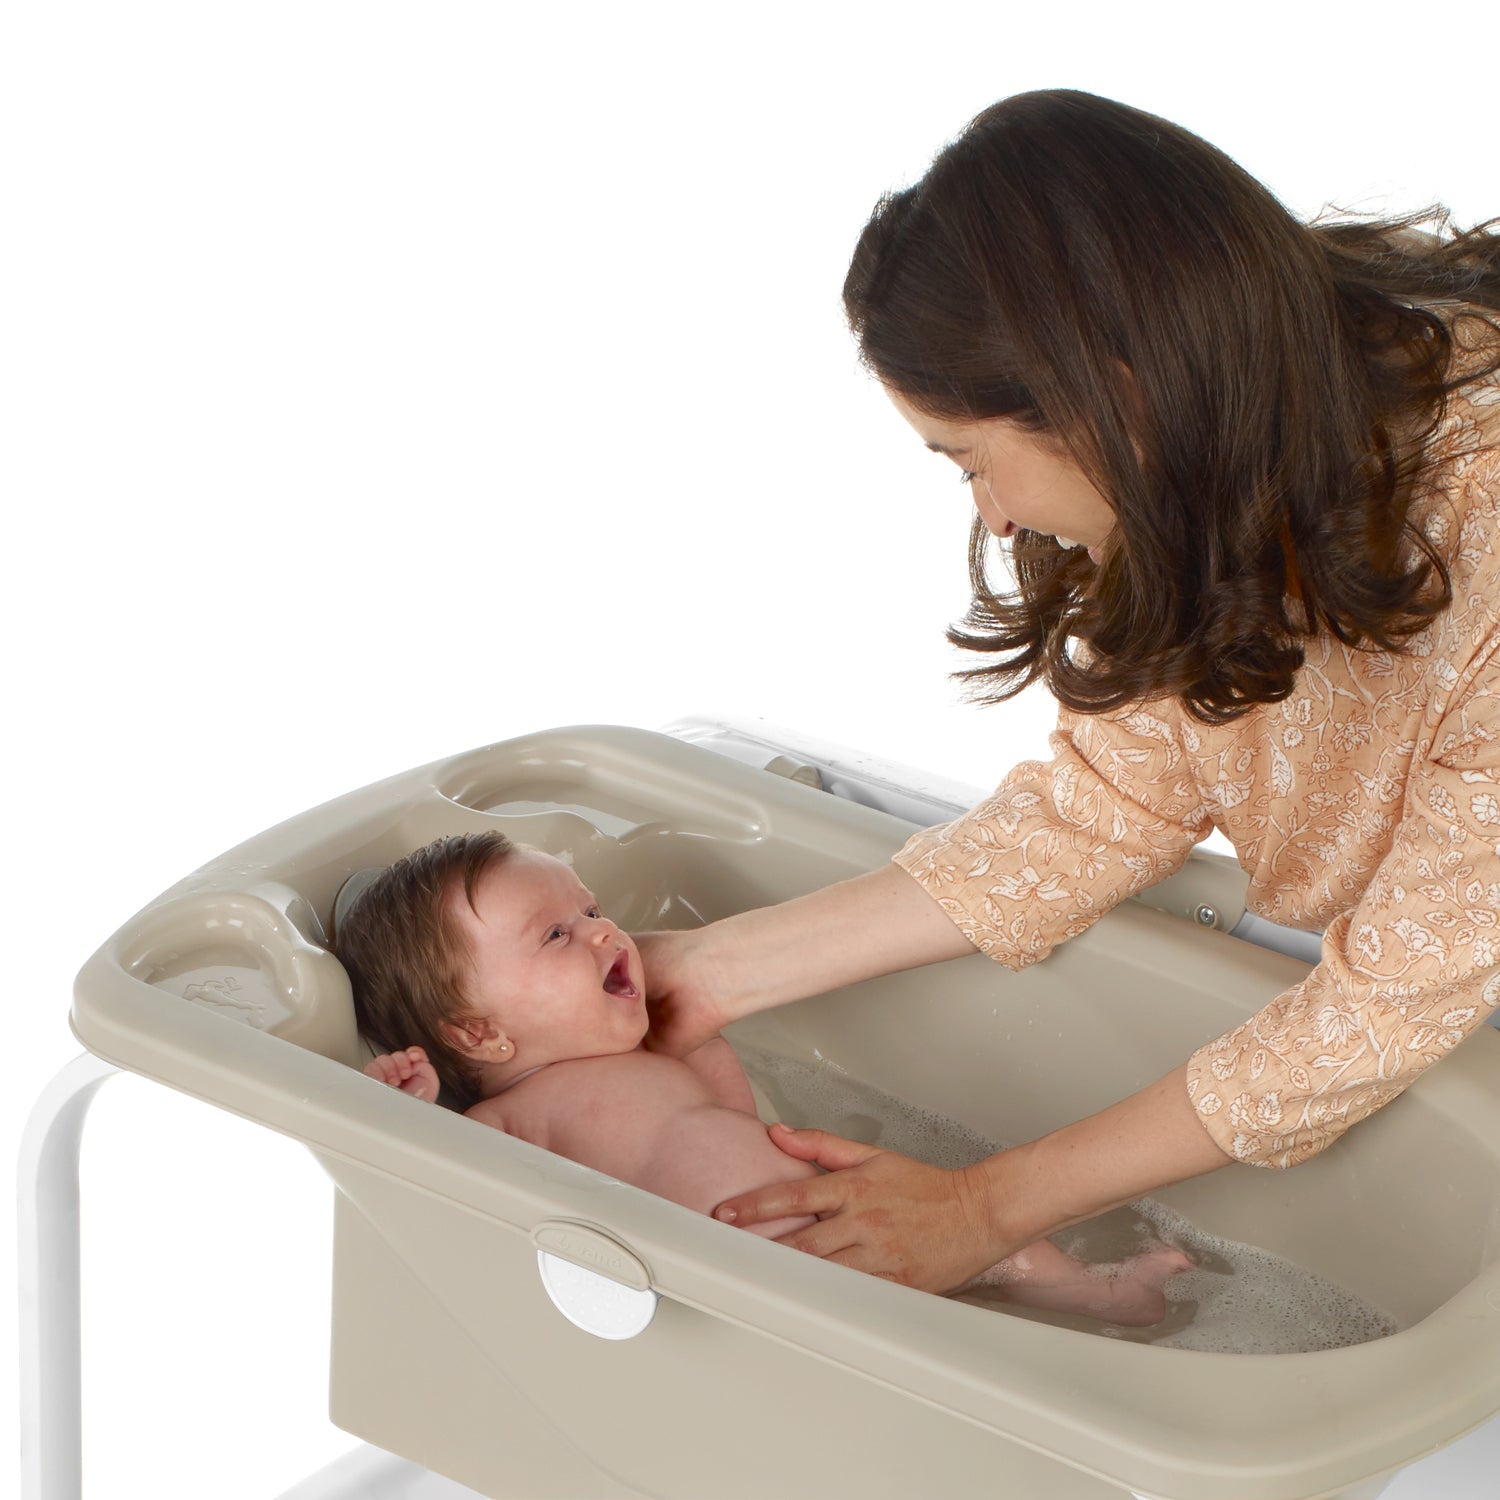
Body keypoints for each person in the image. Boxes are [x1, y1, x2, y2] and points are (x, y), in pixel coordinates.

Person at [636, 88, 1500, 1295]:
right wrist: (703, 972)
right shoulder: (1212, 440)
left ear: (1114, 396)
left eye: (970, 460)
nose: (992, 518)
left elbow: (1389, 1001)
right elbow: (1106, 805)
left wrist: (984, 1206)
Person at [336, 830, 1191, 1325]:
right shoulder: (519, 1115)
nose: (602, 932)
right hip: (766, 1274)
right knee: (956, 1285)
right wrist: (410, 1114)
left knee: (996, 1240)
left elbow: (736, 1112)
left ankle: (1096, 1294)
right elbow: (461, 1191)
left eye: (592, 910)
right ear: (479, 1034)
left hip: (845, 1209)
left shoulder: (652, 1052)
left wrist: (689, 1032)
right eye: (556, 935)